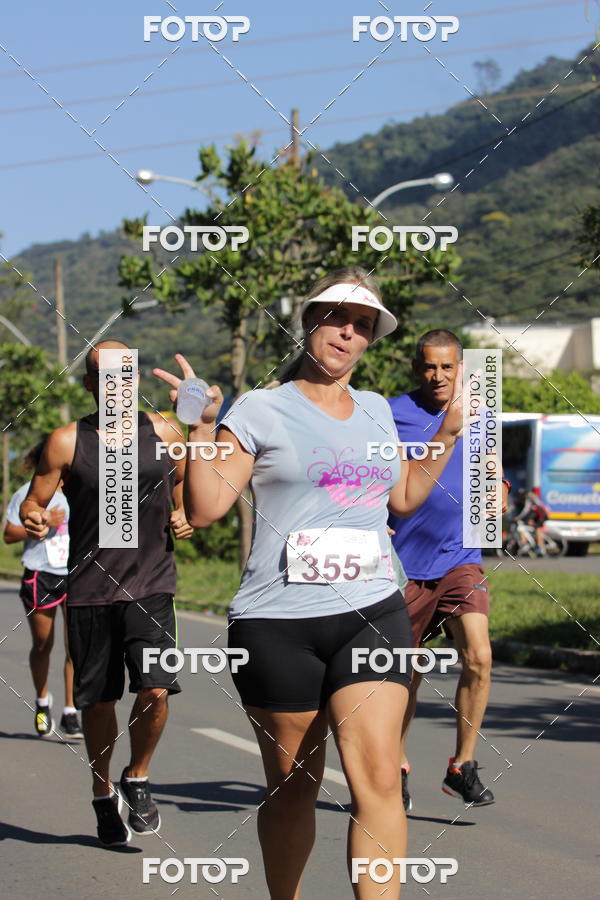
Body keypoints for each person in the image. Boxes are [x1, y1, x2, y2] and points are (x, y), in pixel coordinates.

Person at [154, 268, 466, 899]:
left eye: (362, 327)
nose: (347, 334)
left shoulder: (378, 411)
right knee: (294, 783)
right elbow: (209, 505)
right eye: (336, 319)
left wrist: (448, 434)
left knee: (378, 775)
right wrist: (202, 425)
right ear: (308, 320)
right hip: (278, 622)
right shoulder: (261, 408)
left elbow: (403, 496)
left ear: (371, 340)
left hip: (373, 609)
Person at [21, 339, 193, 848]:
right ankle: (101, 791)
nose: (117, 383)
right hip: (93, 588)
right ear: (91, 383)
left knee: (157, 687)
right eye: (105, 375)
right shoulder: (67, 441)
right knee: (98, 703)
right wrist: (32, 516)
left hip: (152, 583)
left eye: (126, 373)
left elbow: (183, 492)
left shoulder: (165, 432)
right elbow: (35, 500)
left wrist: (182, 516)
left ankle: (136, 777)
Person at [388, 330, 509, 811]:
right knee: (406, 673)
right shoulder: (393, 413)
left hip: (461, 555)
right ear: (417, 368)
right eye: (428, 367)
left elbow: (489, 466)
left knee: (479, 655)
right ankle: (394, 764)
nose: (438, 375)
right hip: (406, 565)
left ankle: (463, 765)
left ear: (462, 367)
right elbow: (373, 473)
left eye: (447, 366)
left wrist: (500, 487)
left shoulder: (482, 409)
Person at [4, 439, 82, 739]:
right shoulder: (28, 493)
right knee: (43, 644)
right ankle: (42, 702)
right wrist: (45, 524)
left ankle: (70, 712)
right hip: (41, 574)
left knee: (75, 644)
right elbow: (9, 534)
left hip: (76, 574)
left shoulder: (80, 490)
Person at [514, 489, 548, 556]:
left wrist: (518, 517)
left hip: (542, 514)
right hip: (536, 515)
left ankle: (540, 546)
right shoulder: (526, 499)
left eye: (521, 495)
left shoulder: (529, 499)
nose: (520, 496)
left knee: (538, 528)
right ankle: (529, 542)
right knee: (528, 524)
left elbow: (526, 510)